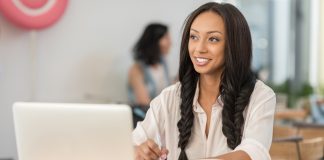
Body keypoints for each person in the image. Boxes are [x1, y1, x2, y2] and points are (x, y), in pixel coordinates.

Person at [133, 2, 276, 160]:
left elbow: (253, 154)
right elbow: (131, 145)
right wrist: (138, 151)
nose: (199, 48)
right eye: (194, 37)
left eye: (213, 39)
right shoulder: (169, 98)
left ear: (234, 45)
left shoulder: (260, 96)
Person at [128, 23, 172, 123]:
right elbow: (144, 102)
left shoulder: (163, 65)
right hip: (144, 120)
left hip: (162, 118)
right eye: (166, 38)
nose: (170, 43)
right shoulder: (137, 69)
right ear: (154, 41)